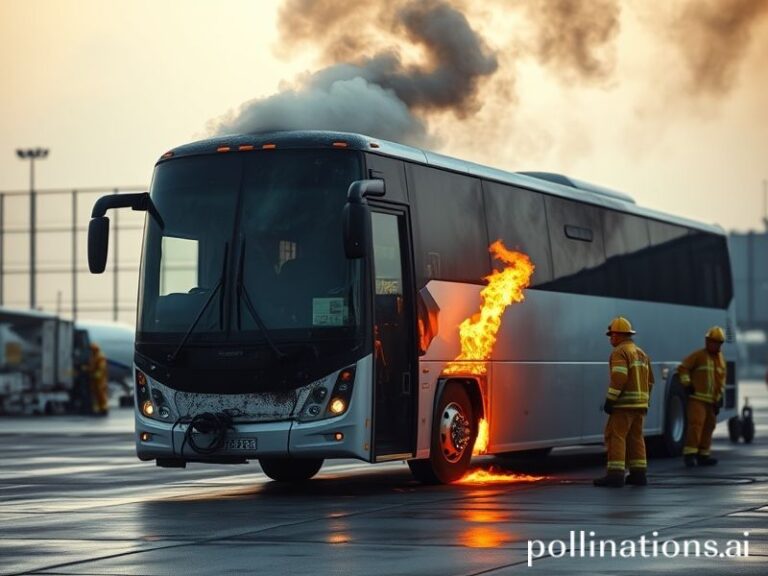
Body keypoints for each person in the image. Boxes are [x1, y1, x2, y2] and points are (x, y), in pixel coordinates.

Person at [594, 316, 654, 488]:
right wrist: (645, 401)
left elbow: (619, 377)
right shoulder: (641, 353)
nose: (610, 338)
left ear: (619, 335)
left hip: (624, 405)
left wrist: (610, 400)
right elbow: (650, 381)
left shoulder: (620, 352)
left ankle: (615, 475)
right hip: (640, 406)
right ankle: (638, 474)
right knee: (636, 438)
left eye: (612, 335)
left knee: (616, 436)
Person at [677, 326, 726, 467]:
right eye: (711, 341)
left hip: (711, 401)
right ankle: (690, 454)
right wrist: (687, 384)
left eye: (717, 342)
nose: (714, 345)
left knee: (709, 426)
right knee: (696, 425)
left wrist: (719, 398)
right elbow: (683, 368)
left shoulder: (720, 360)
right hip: (697, 399)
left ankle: (703, 455)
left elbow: (721, 380)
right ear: (707, 341)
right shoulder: (699, 355)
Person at [88, 342, 109, 416]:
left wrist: (97, 375)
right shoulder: (93, 356)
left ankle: (104, 409)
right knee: (95, 394)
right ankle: (97, 409)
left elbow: (102, 368)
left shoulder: (100, 356)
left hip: (100, 380)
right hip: (94, 379)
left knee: (101, 394)